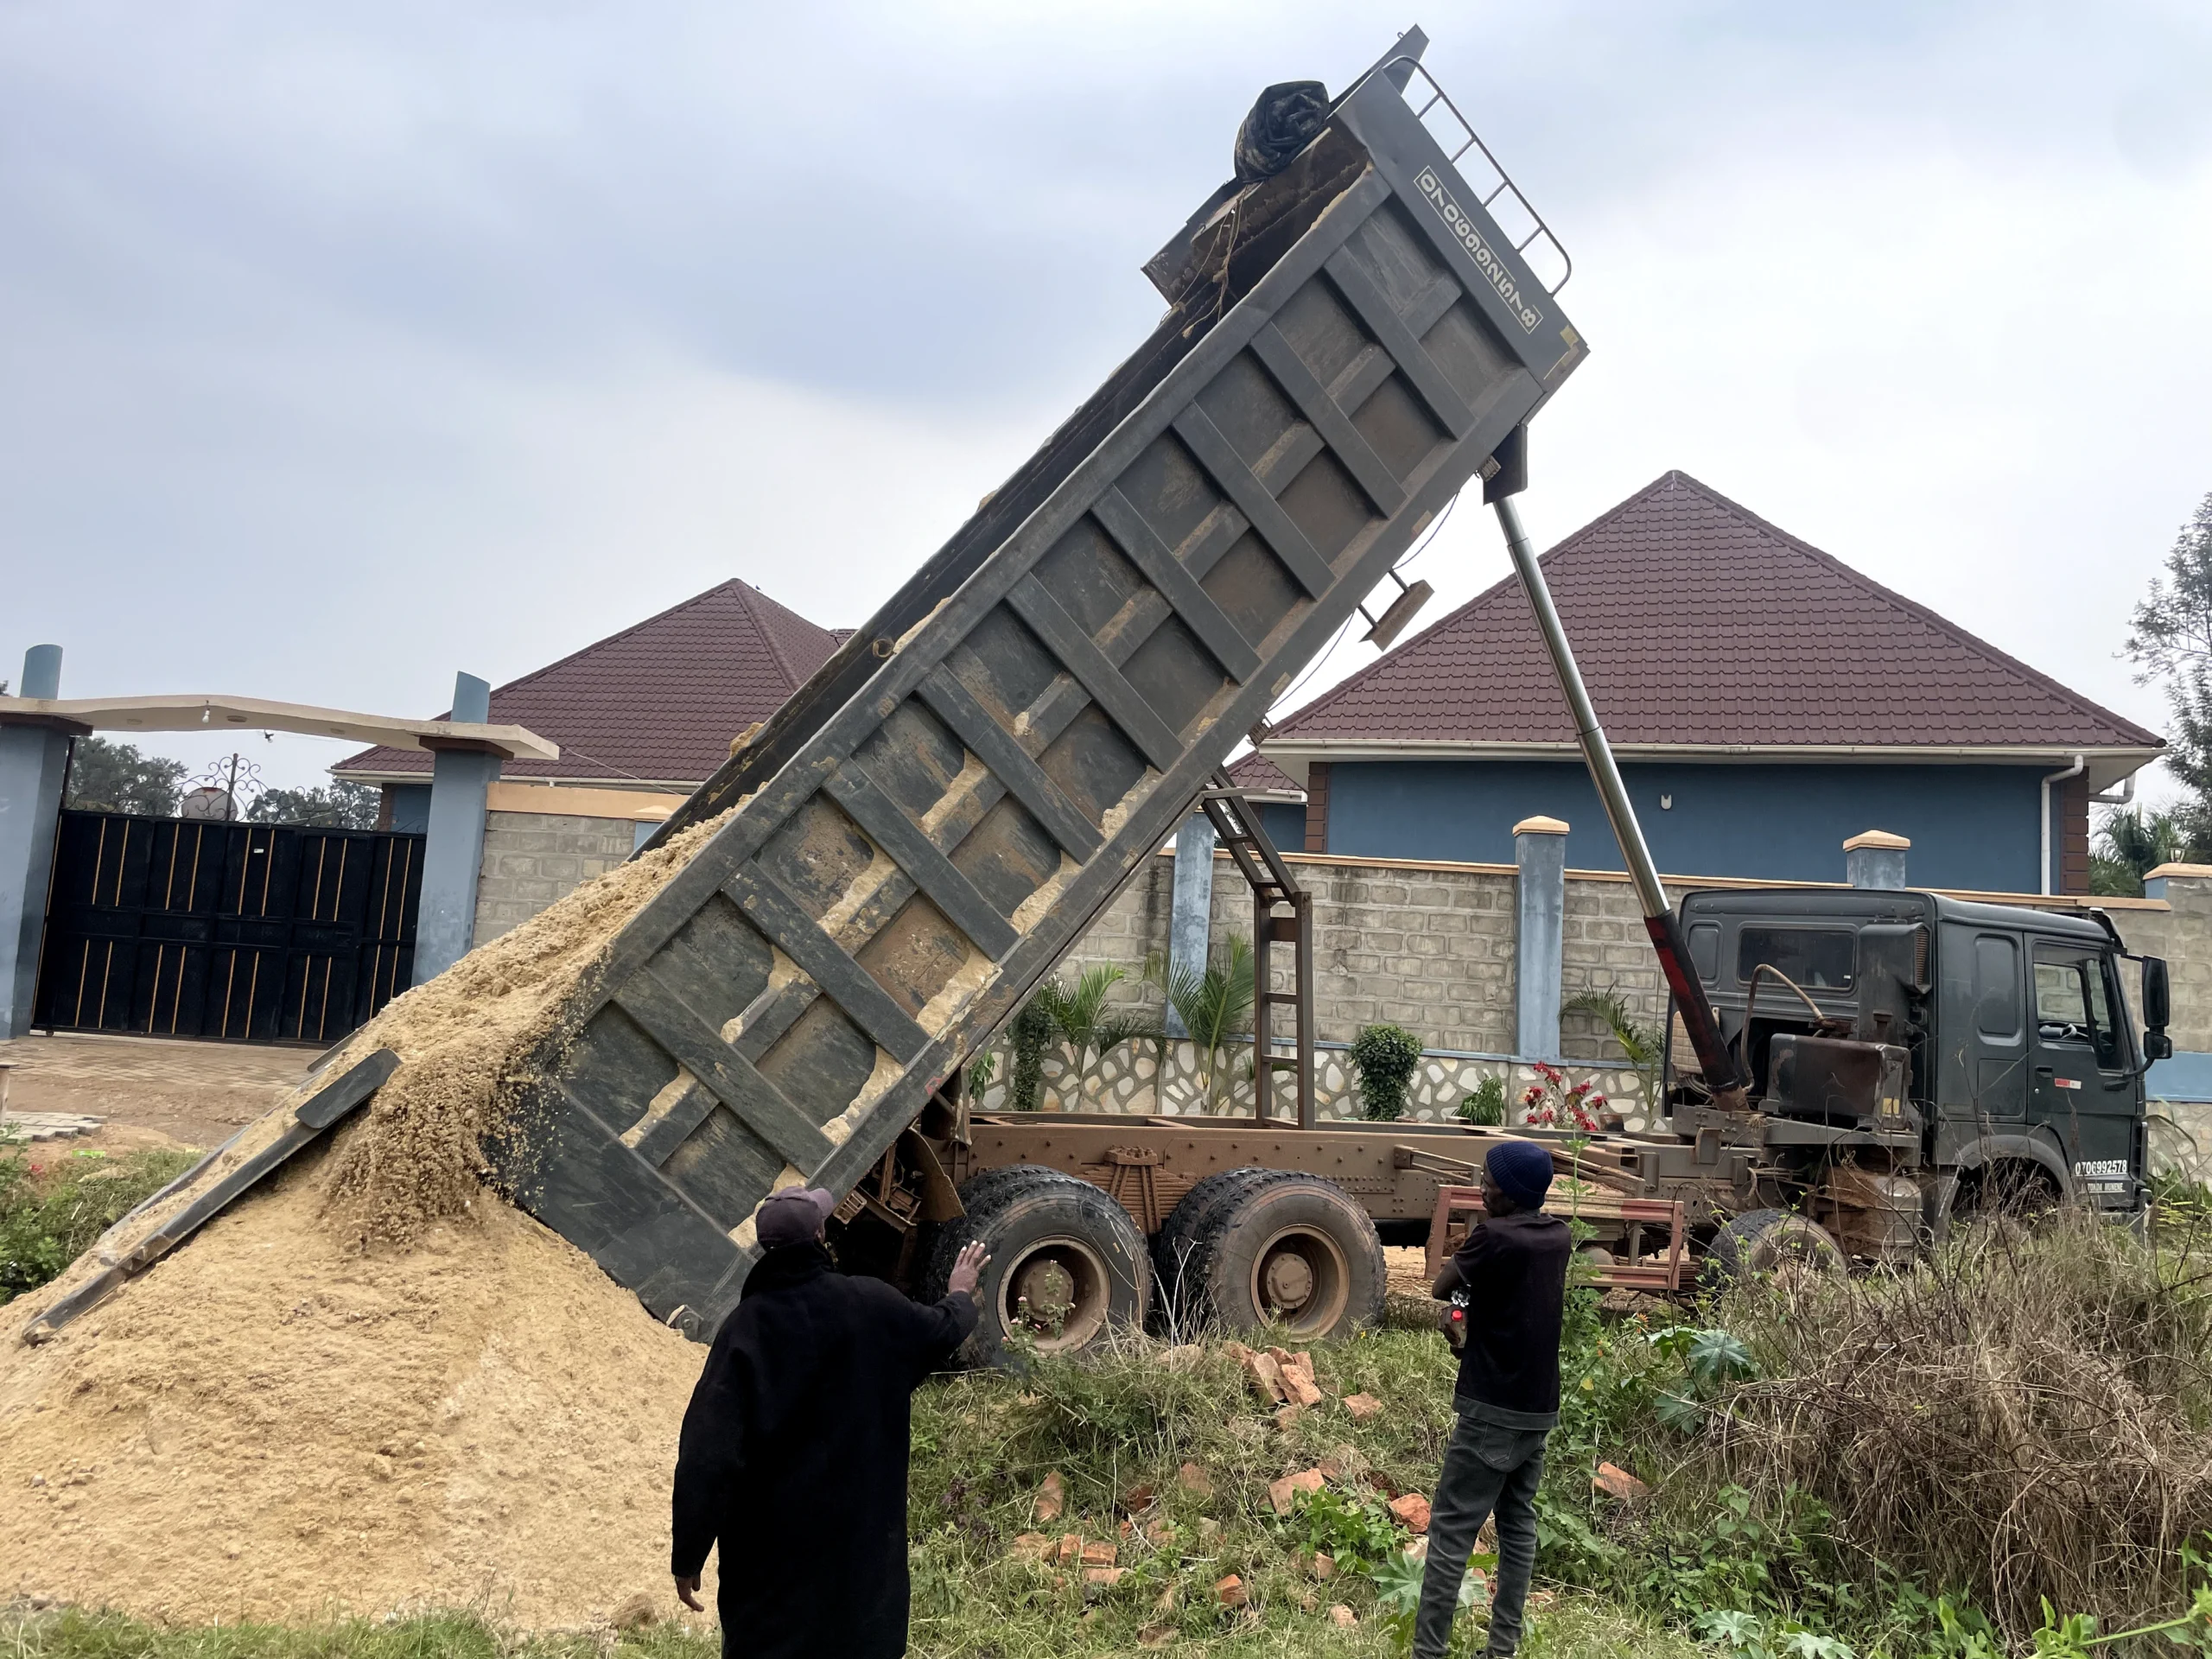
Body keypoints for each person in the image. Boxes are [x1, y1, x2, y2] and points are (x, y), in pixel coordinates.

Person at [671, 1186, 988, 1657]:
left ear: (764, 1249)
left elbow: (707, 1454)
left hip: (771, 1584)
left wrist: (689, 1553)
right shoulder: (873, 1304)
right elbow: (940, 1330)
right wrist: (960, 1293)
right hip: (860, 1574)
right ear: (821, 1235)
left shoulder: (743, 1331)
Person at [1415, 1139, 1571, 1659]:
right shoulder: (1557, 1236)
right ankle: (1501, 1647)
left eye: (1490, 1182)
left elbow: (1441, 1287)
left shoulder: (1494, 1236)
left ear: (1510, 1192)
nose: (1483, 1188)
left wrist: (1464, 1269)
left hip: (1491, 1409)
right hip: (1538, 1408)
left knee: (1451, 1531)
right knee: (1518, 1523)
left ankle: (1428, 1652)